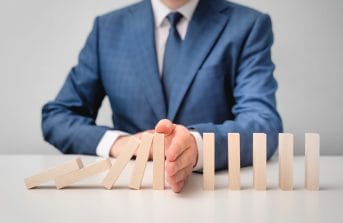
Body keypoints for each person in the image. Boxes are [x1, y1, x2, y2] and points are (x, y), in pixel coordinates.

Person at [42, 0, 283, 193]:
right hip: (127, 192)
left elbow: (264, 124)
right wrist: (120, 144)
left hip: (211, 193)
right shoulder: (107, 29)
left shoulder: (247, 25)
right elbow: (58, 117)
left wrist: (197, 145)